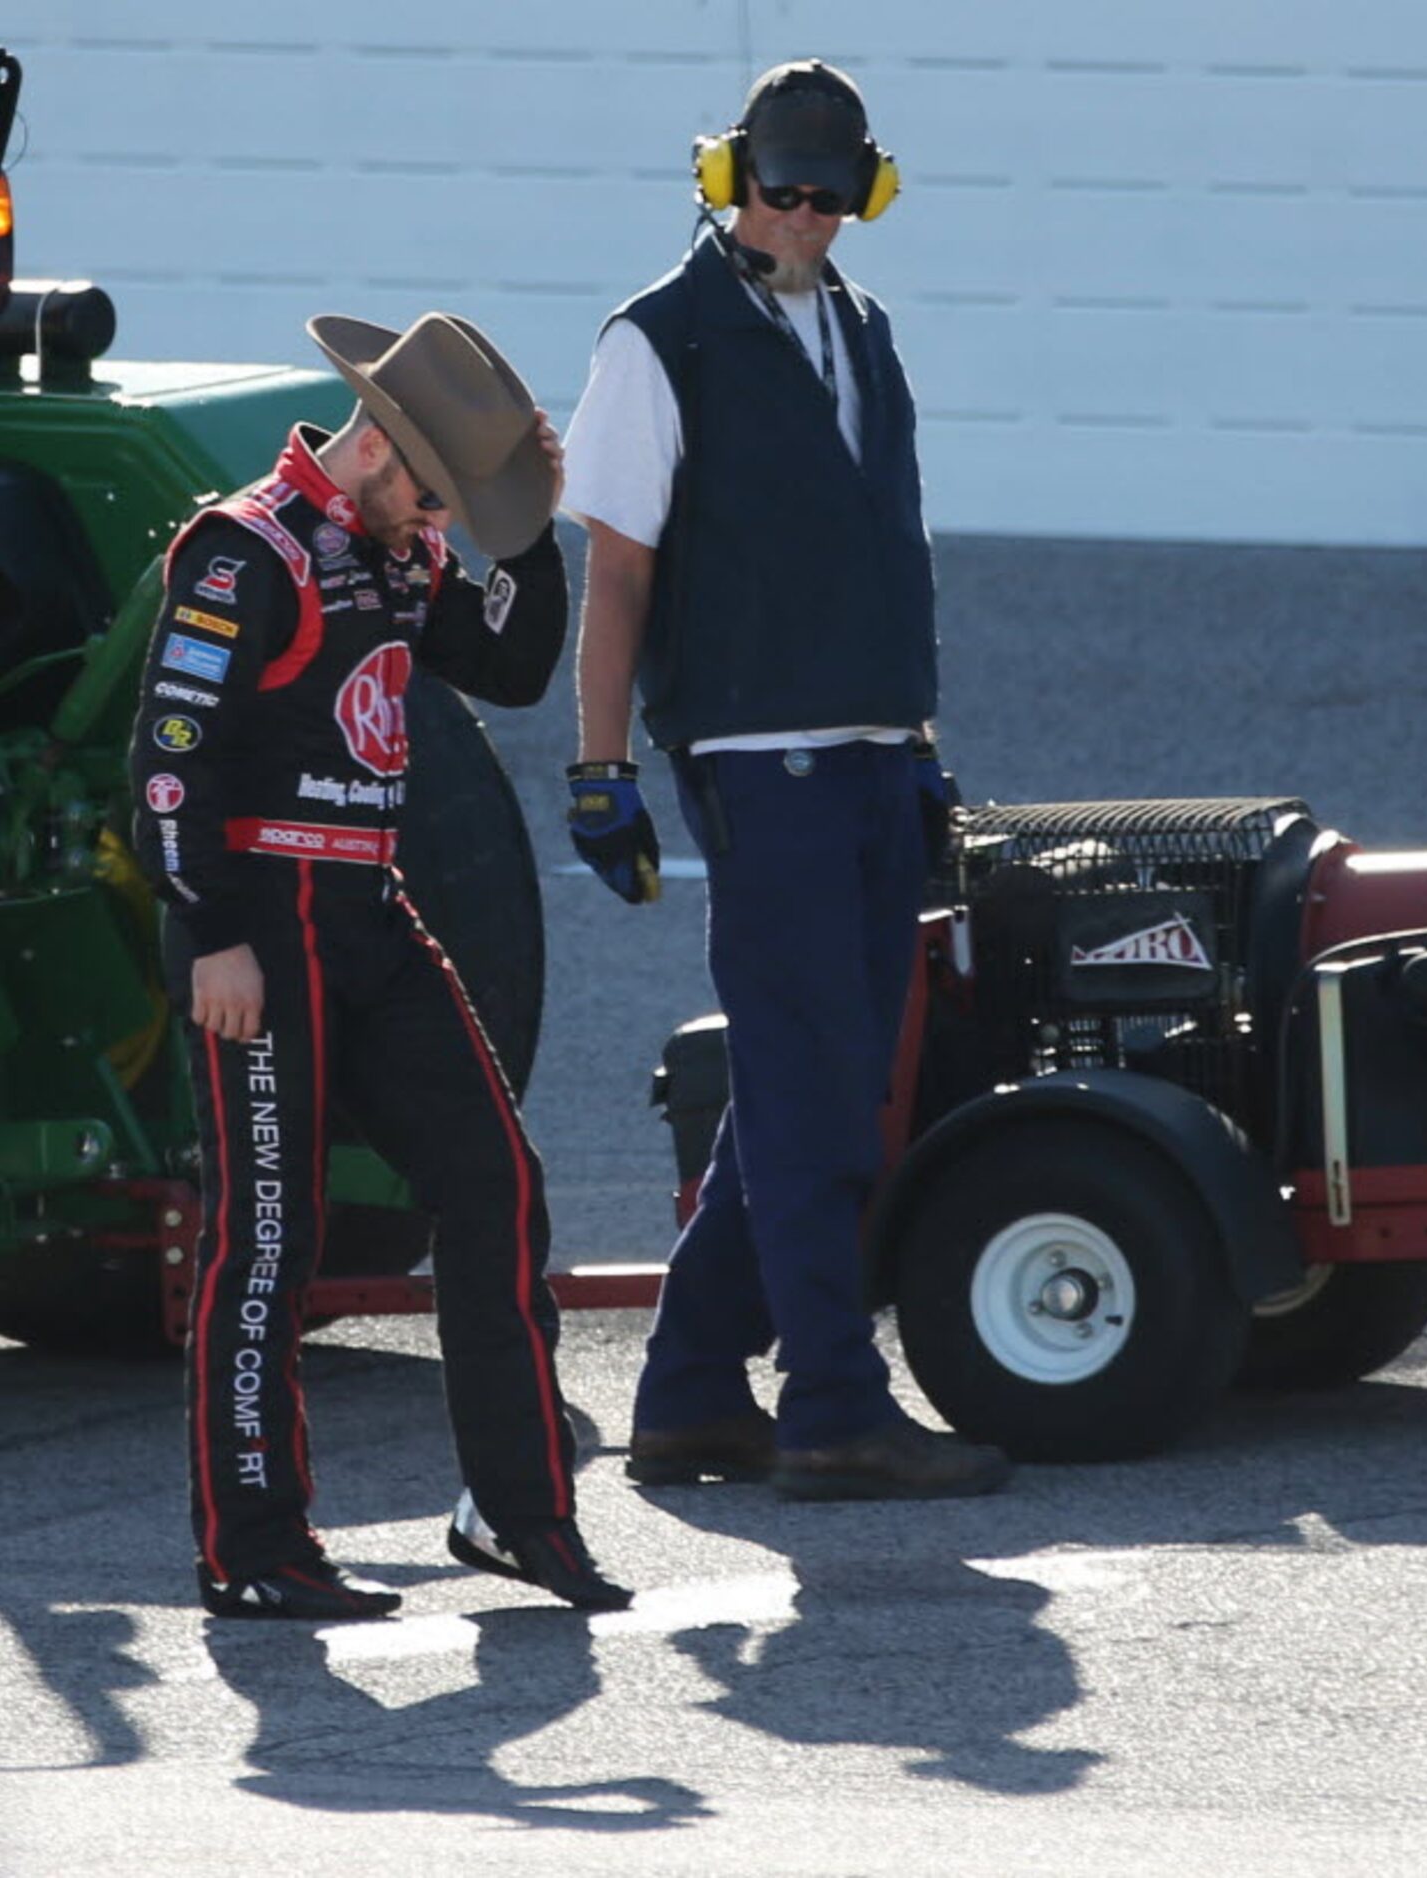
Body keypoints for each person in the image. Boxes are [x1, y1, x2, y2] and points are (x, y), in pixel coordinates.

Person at [129, 312, 631, 1619]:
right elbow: (169, 769)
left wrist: (529, 536)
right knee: (270, 1231)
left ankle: (520, 1515)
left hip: (367, 906)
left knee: (497, 1181)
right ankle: (255, 1548)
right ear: (375, 447)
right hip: (260, 916)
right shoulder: (245, 552)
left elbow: (514, 666)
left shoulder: (392, 549)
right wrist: (210, 934)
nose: (438, 517)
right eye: (433, 487)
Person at [562, 58, 1010, 1500]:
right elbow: (616, 572)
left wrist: (919, 747)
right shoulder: (657, 339)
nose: (805, 216)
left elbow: (888, 557)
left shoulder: (866, 331)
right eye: (781, 188)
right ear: (729, 179)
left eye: (831, 193)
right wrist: (599, 767)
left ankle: (692, 1389)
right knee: (813, 1101)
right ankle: (829, 1402)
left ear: (865, 190)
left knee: (805, 1087)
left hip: (876, 759)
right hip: (761, 765)